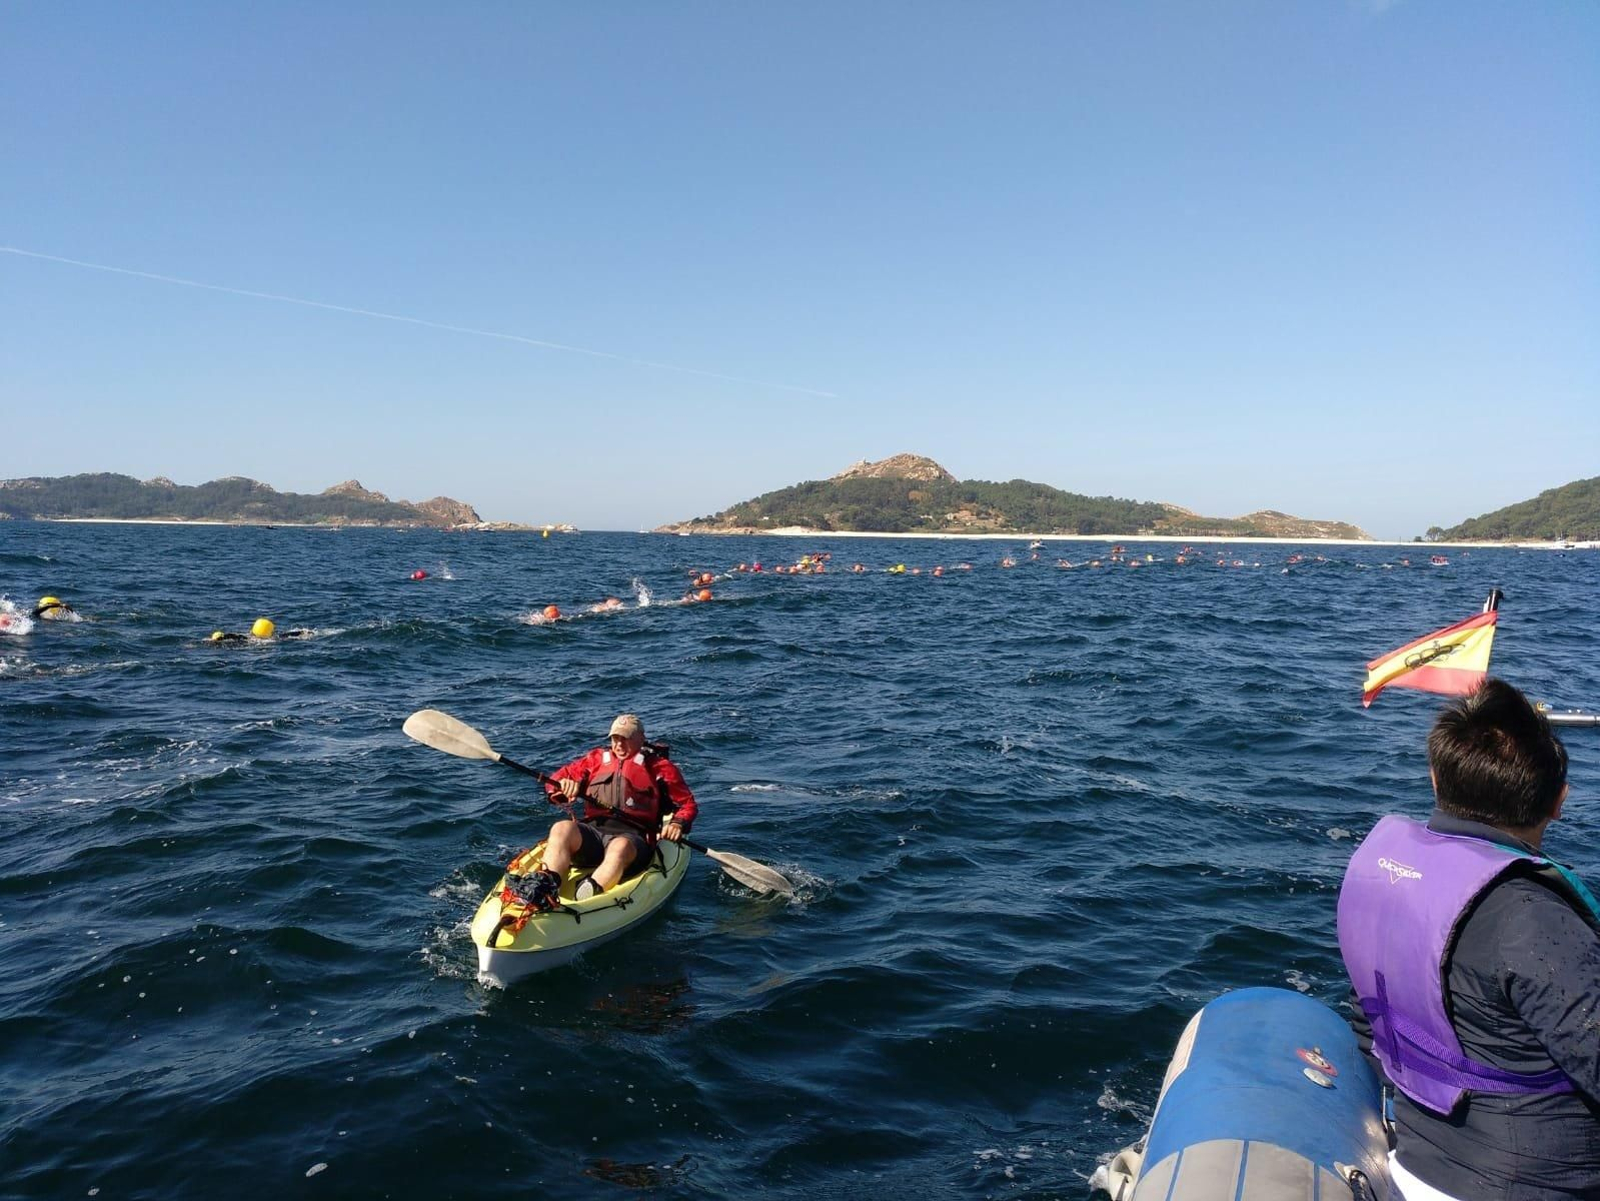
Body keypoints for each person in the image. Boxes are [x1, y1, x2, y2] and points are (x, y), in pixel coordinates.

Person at [1337, 678, 1600, 1200]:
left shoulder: (1389, 880)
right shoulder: (1532, 919)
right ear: (1559, 802)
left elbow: (1370, 1022)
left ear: (1436, 779)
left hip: (1417, 1164)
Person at [523, 714, 697, 905]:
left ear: (641, 738)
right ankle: (545, 884)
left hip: (633, 840)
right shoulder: (594, 759)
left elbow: (687, 804)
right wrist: (562, 785)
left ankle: (589, 894)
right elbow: (554, 780)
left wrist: (677, 823)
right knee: (561, 828)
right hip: (594, 834)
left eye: (626, 739)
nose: (619, 745)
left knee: (619, 846)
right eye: (615, 738)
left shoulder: (660, 767)